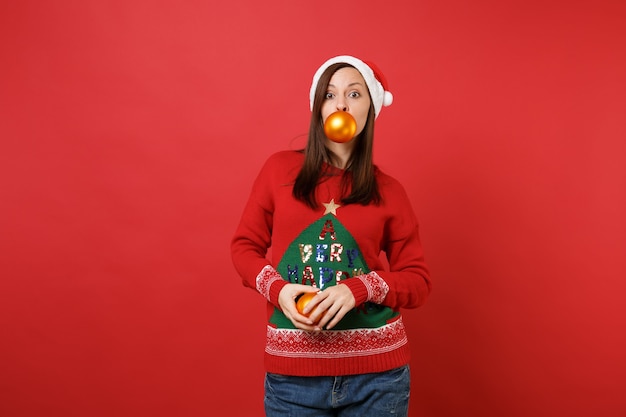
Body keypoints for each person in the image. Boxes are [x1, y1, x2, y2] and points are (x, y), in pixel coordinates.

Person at [231, 55, 431, 417]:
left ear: (371, 106)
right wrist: (278, 290)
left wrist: (361, 288)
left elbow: (417, 282)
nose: (341, 104)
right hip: (293, 380)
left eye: (354, 93)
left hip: (378, 379)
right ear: (318, 107)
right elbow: (244, 247)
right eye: (330, 94)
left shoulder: (390, 191)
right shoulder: (278, 170)